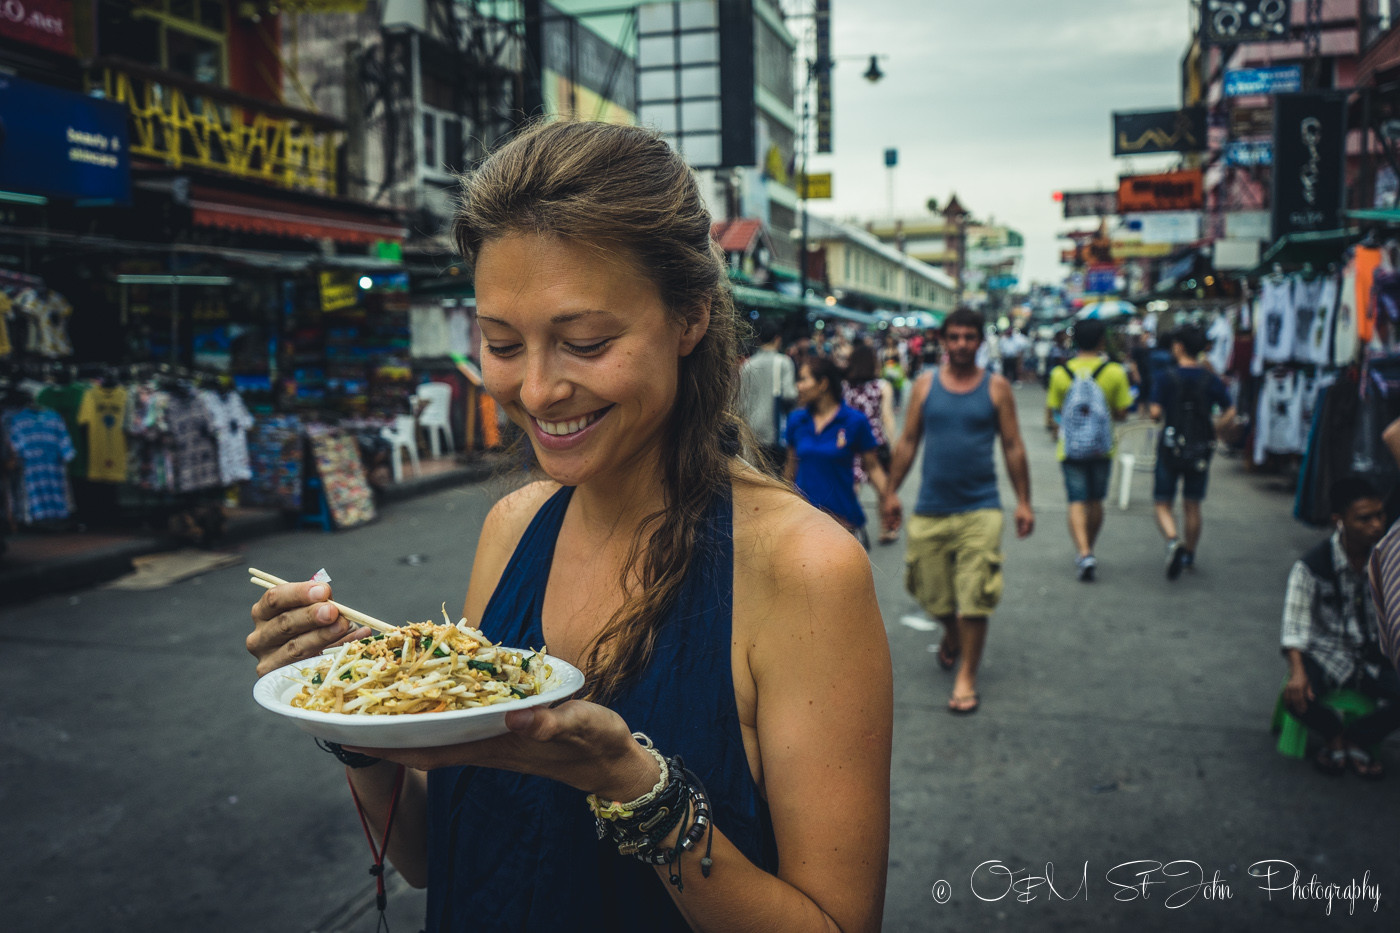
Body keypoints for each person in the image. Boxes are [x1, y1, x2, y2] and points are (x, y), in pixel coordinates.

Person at [246, 121, 893, 933]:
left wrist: (633, 786)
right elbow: (434, 855)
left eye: (585, 341)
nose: (541, 389)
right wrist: (356, 716)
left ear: (689, 318)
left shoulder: (804, 567)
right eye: (502, 343)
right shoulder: (513, 528)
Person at [880, 307, 1035, 715]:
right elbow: (910, 440)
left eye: (970, 337)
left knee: (975, 598)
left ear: (980, 341)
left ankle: (967, 673)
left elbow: (1014, 446)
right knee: (930, 592)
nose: (962, 344)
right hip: (931, 508)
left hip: (981, 508)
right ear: (944, 341)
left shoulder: (997, 388)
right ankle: (952, 635)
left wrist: (1023, 501)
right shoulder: (925, 386)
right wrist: (890, 492)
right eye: (955, 337)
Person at [1282, 476, 1400, 779]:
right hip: (1326, 655)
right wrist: (1297, 671)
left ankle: (1358, 738)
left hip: (1373, 655)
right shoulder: (1311, 567)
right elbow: (1294, 627)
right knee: (1296, 698)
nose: (1376, 525)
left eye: (1380, 516)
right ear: (1339, 521)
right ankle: (1334, 734)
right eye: (1364, 518)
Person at [1044, 319, 1133, 581]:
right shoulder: (1115, 372)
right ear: (1102, 341)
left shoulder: (1060, 373)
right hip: (1102, 448)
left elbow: (1055, 412)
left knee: (1076, 500)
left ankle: (1083, 552)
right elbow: (1122, 411)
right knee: (1095, 501)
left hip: (1070, 449)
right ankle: (1090, 547)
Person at [1148, 324, 1236, 579]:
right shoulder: (1210, 378)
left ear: (1178, 347)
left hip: (1170, 446)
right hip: (1200, 447)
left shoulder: (1166, 377)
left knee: (1163, 501)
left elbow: (1154, 413)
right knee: (1192, 504)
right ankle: (1189, 554)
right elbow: (1230, 410)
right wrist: (1215, 430)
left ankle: (1173, 540)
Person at [787, 355, 892, 546]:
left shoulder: (854, 421)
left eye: (803, 379)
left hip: (842, 522)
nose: (798, 386)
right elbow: (789, 471)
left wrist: (889, 500)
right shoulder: (796, 420)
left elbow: (873, 467)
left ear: (823, 383)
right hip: (802, 522)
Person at [842, 342, 898, 543]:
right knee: (884, 488)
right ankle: (888, 528)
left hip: (850, 442)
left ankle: (846, 527)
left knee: (852, 487)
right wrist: (891, 443)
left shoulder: (844, 386)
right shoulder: (882, 386)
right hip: (875, 442)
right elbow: (887, 417)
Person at [737, 318, 796, 476]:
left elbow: (740, 404)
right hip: (774, 432)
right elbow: (790, 394)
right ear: (778, 339)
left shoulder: (747, 365)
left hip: (751, 432)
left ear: (759, 339)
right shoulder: (783, 362)